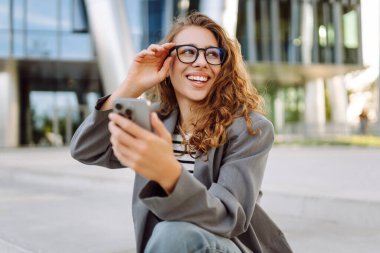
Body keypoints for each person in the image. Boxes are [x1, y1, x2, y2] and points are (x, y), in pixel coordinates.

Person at [71, 12, 291, 253]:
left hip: (226, 246)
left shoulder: (250, 129)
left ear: (223, 66)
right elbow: (85, 150)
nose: (200, 62)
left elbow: (228, 218)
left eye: (212, 54)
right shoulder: (153, 121)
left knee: (174, 232)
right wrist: (131, 86)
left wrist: (169, 175)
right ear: (167, 62)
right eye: (188, 52)